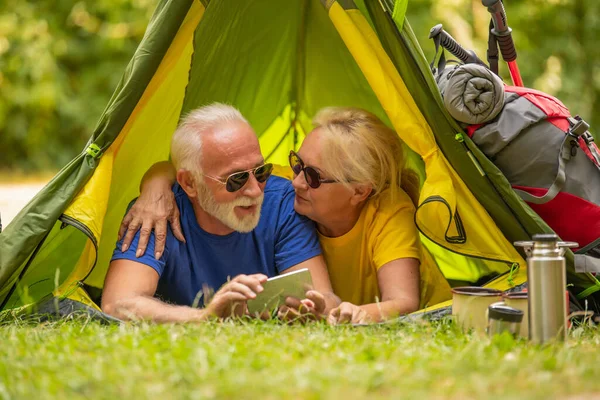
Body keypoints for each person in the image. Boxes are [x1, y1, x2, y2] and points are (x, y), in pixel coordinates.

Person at [120, 107, 451, 324]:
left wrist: (335, 312)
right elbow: (119, 303)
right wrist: (154, 185)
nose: (295, 182)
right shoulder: (281, 188)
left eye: (313, 176)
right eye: (296, 165)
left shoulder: (386, 212)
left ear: (359, 191)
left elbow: (401, 301)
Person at [102, 103, 339, 323]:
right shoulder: (156, 212)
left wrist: (315, 306)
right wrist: (205, 316)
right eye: (236, 180)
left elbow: (323, 296)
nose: (256, 191)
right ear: (190, 183)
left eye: (261, 171)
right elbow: (117, 304)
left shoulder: (283, 203)